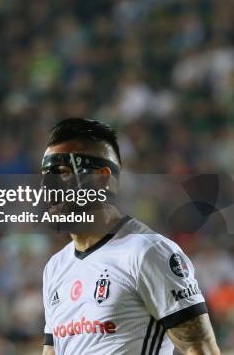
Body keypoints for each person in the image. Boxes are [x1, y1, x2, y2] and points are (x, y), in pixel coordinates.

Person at [40, 118, 220, 355]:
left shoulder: (148, 252)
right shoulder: (55, 267)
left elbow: (202, 350)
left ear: (102, 178)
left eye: (62, 172)